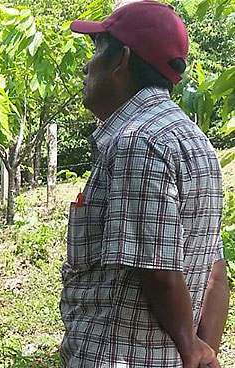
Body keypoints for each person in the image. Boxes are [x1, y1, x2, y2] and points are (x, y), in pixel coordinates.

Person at [60, 2, 229, 367]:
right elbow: (216, 269)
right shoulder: (195, 140)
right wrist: (202, 352)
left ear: (121, 59)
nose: (86, 67)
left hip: (119, 356)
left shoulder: (139, 141)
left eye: (96, 52)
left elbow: (158, 270)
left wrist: (191, 349)